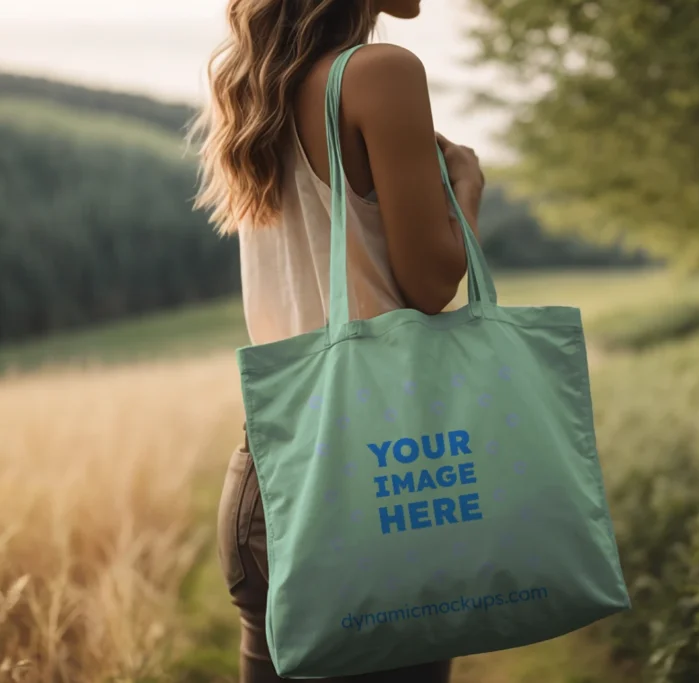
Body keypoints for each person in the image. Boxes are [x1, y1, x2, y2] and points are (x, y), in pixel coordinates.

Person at [191, 1, 486, 681]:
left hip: (268, 479)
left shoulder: (252, 84)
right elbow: (431, 283)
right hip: (385, 475)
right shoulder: (380, 73)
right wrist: (464, 192)